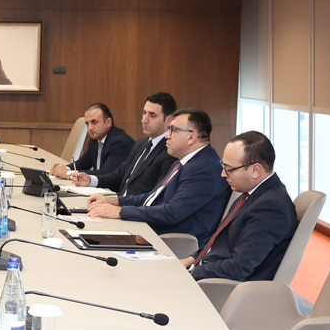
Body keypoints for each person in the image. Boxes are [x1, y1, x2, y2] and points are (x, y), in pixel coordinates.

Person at [87, 107, 230, 240]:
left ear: (191, 137)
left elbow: (171, 213)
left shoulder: (205, 169)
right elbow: (153, 198)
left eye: (172, 130)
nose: (167, 136)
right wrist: (113, 201)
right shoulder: (185, 162)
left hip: (173, 242)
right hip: (154, 232)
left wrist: (119, 212)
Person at [185, 131, 298, 281]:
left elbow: (237, 268)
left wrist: (191, 272)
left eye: (229, 169)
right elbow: (220, 243)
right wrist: (191, 260)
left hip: (222, 287)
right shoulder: (252, 194)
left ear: (255, 170)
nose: (223, 174)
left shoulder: (270, 207)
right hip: (209, 272)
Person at [67, 92, 178, 198]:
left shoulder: (171, 152)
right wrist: (90, 180)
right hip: (119, 203)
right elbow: (119, 177)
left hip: (132, 208)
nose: (144, 120)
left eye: (152, 115)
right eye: (144, 113)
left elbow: (154, 197)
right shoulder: (141, 144)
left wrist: (117, 204)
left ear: (169, 120)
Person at [55, 103, 135, 177]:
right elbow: (83, 163)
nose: (90, 128)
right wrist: (63, 169)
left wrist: (69, 174)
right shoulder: (95, 140)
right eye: (87, 123)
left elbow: (107, 173)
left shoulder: (120, 142)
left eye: (94, 122)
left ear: (108, 122)